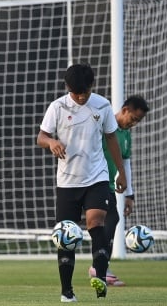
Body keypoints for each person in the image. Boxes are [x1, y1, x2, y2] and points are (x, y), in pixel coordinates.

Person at [37, 64, 127, 302]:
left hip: (96, 177)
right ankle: (67, 291)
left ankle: (99, 274)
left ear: (91, 86)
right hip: (67, 181)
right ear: (68, 88)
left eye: (85, 92)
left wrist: (121, 172)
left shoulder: (102, 105)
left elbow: (111, 138)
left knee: (96, 220)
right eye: (77, 92)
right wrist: (51, 143)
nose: (81, 96)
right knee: (66, 235)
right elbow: (41, 137)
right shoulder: (57, 107)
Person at [88, 95, 150, 286]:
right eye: (133, 119)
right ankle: (99, 266)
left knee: (112, 219)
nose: (134, 124)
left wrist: (130, 194)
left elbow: (126, 164)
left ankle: (100, 267)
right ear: (124, 110)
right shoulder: (104, 126)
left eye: (138, 121)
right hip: (90, 181)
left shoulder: (126, 136)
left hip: (106, 184)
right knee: (109, 220)